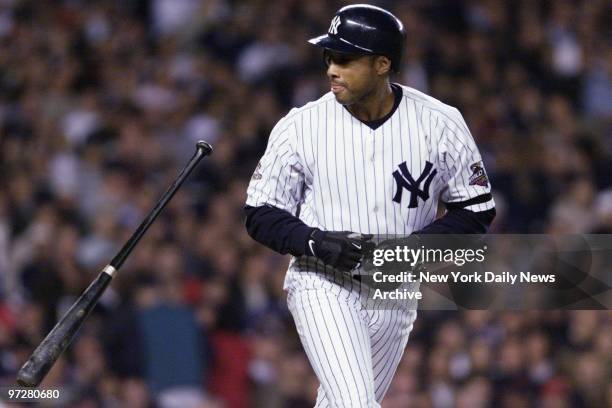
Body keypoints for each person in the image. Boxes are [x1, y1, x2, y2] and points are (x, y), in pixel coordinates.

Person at [244, 4, 495, 407]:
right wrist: (313, 241)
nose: (331, 68)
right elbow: (259, 213)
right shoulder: (301, 125)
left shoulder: (440, 123)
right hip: (321, 279)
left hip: (394, 290)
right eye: (329, 57)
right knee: (355, 403)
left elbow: (477, 211)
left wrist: (410, 251)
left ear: (382, 64)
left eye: (344, 59)